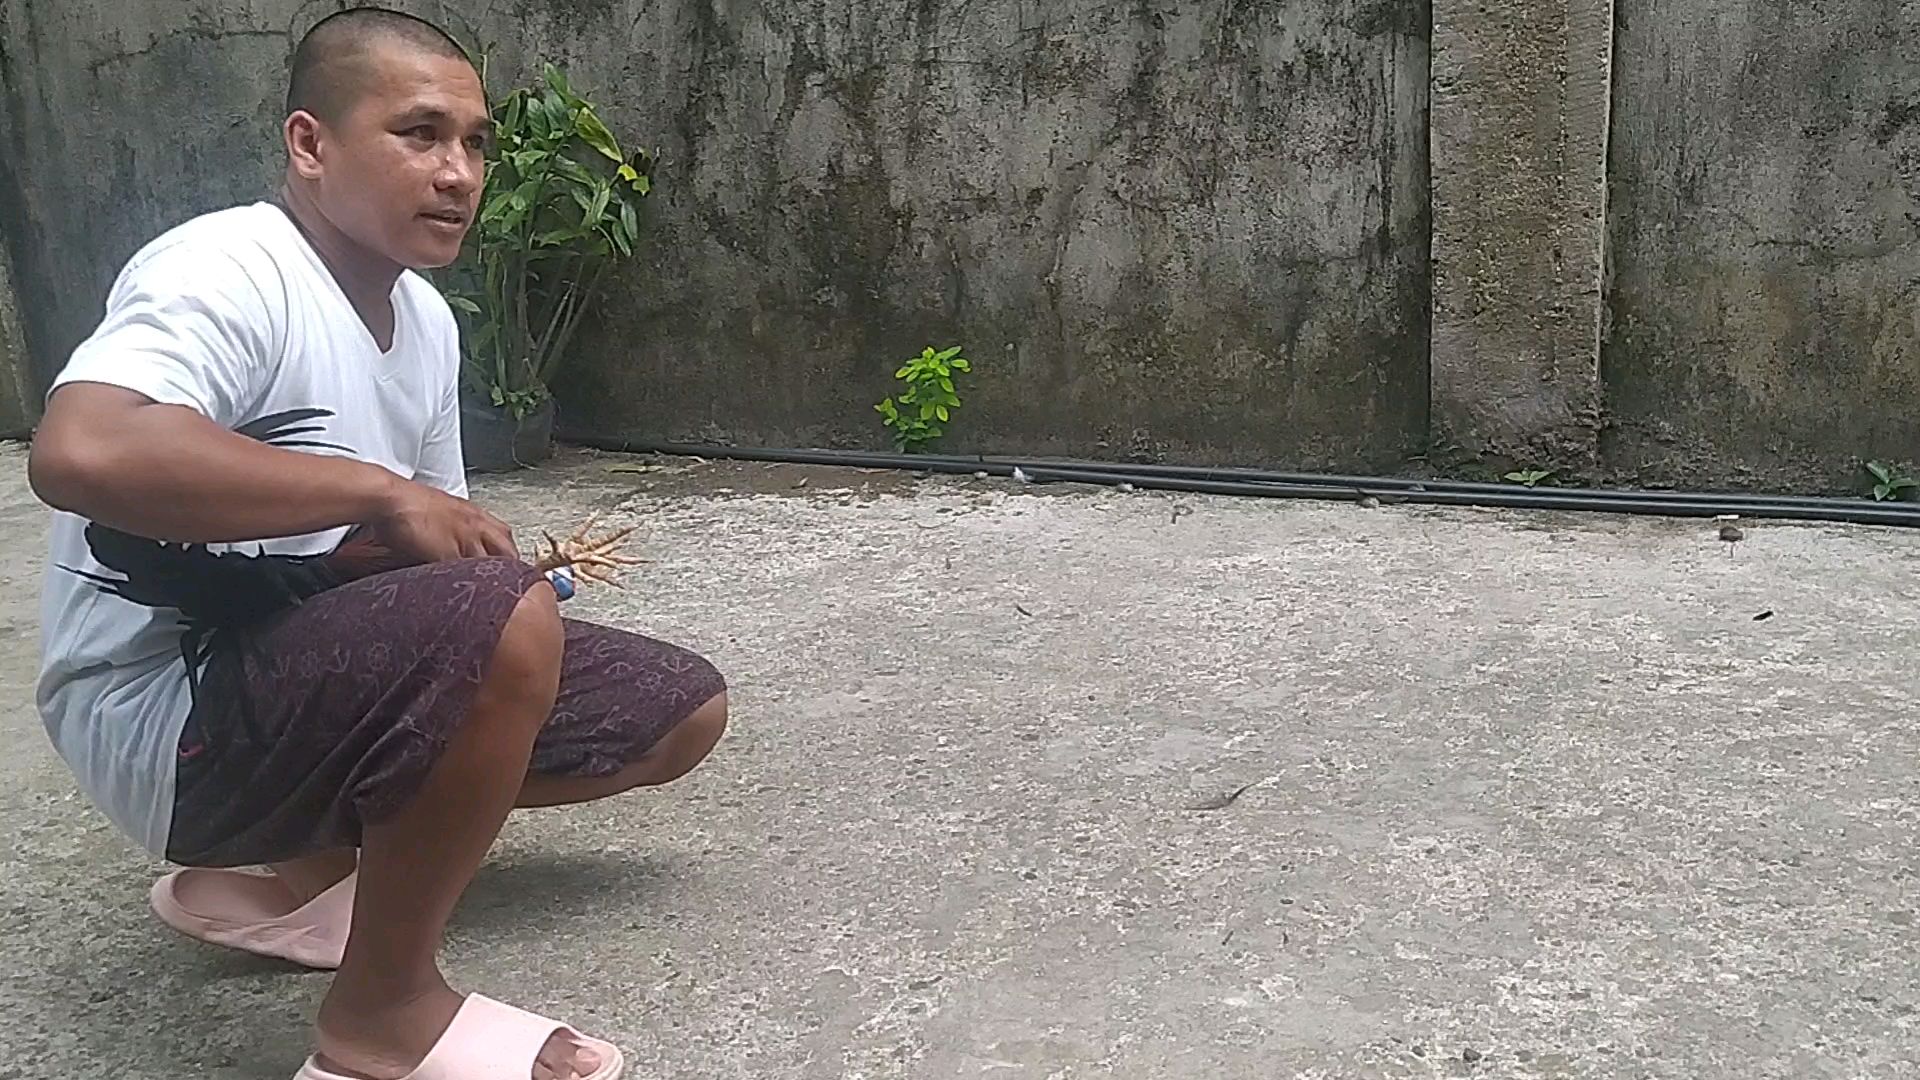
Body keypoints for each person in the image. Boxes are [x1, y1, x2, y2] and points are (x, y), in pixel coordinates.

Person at [28, 8, 726, 1079]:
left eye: (476, 143)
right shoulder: (226, 267)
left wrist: (492, 561)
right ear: (311, 144)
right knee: (499, 626)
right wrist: (382, 494)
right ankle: (380, 1018)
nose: (459, 173)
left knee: (676, 711)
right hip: (164, 717)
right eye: (419, 134)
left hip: (297, 670)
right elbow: (81, 449)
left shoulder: (427, 320)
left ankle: (314, 880)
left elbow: (429, 560)